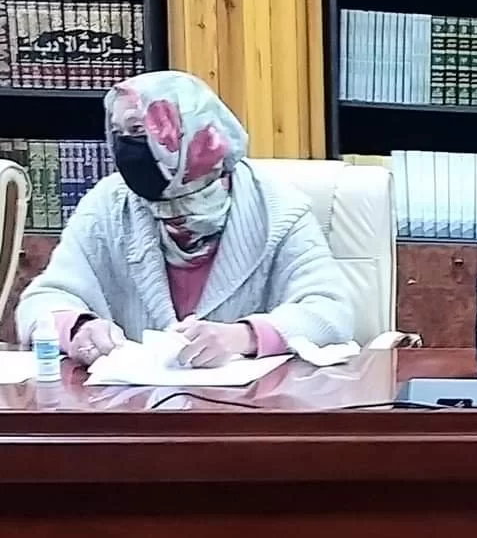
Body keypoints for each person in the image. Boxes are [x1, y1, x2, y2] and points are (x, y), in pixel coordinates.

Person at [16, 70, 353, 368]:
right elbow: (40, 303)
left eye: (139, 129)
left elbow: (331, 312)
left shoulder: (276, 208)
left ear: (192, 132)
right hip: (132, 408)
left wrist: (244, 336)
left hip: (249, 409)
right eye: (118, 133)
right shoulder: (108, 205)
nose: (126, 146)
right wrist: (78, 328)